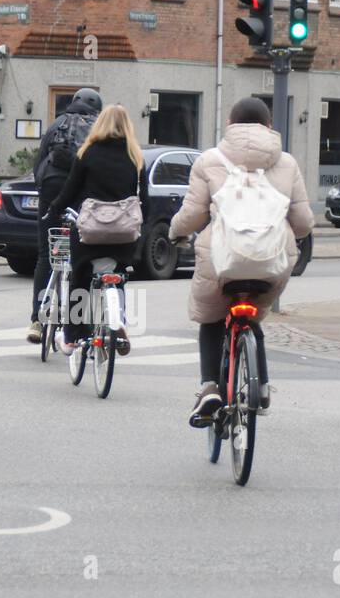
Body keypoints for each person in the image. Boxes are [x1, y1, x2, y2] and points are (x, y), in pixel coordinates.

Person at [168, 98, 314, 424]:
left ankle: (209, 389)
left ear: (231, 124)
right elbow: (303, 220)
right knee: (254, 318)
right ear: (269, 125)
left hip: (221, 261)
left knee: (211, 319)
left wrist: (175, 233)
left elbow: (192, 215)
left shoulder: (210, 160)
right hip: (272, 262)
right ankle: (260, 386)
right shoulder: (287, 162)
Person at [39, 103, 145, 355]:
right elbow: (145, 199)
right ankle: (117, 319)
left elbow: (70, 190)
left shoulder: (88, 153)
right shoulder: (135, 156)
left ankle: (74, 336)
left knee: (81, 276)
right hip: (124, 235)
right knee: (118, 276)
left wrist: (52, 210)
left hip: (92, 233)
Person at [27, 88, 103, 343]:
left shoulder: (57, 124)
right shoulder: (99, 128)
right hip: (83, 194)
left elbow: (39, 163)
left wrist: (44, 195)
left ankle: (37, 320)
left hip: (51, 188)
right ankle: (79, 325)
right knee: (80, 259)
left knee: (46, 256)